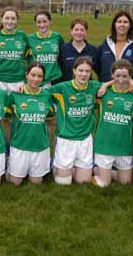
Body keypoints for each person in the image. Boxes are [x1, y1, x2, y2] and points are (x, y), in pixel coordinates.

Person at [50, 57, 100, 185]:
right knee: (63, 182)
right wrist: (23, 87)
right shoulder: (62, 88)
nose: (84, 74)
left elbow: (116, 82)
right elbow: (40, 92)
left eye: (87, 71)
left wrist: (131, 84)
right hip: (66, 139)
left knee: (83, 181)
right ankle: (55, 165)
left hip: (85, 139)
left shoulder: (94, 87)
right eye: (81, 70)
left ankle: (88, 167)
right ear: (74, 71)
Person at [92, 59, 133, 187]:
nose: (121, 79)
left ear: (130, 76)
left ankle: (103, 171)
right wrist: (105, 85)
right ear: (112, 75)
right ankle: (96, 170)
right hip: (104, 145)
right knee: (104, 183)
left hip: (123, 145)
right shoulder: (102, 92)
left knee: (126, 182)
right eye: (117, 76)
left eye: (125, 76)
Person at [6, 62, 55, 186]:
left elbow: (51, 121)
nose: (36, 79)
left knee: (36, 182)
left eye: (39, 76)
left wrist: (47, 142)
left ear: (43, 78)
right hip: (19, 145)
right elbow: (6, 120)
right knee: (15, 182)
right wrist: (10, 141)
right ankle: (8, 164)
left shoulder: (47, 96)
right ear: (26, 75)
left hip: (40, 146)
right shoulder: (15, 95)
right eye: (33, 75)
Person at [0, 7, 28, 94]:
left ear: (17, 21)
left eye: (13, 19)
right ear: (2, 20)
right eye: (7, 18)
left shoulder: (22, 36)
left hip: (18, 81)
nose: (10, 21)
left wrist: (26, 78)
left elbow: (29, 56)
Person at [95, 10, 133, 83]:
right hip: (106, 89)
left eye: (125, 22)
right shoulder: (104, 46)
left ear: (130, 25)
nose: (122, 24)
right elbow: (97, 67)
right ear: (114, 24)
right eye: (119, 22)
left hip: (128, 89)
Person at [25, 11, 64, 87]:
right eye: (39, 22)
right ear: (35, 23)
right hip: (36, 79)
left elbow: (62, 56)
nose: (42, 25)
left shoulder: (57, 37)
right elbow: (23, 59)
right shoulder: (29, 39)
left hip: (54, 78)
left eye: (45, 21)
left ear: (50, 22)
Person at [58, 18, 98, 84]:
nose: (79, 32)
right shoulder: (63, 49)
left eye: (82, 30)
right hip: (67, 90)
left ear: (86, 32)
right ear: (71, 31)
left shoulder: (93, 50)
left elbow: (100, 71)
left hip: (86, 90)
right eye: (76, 29)